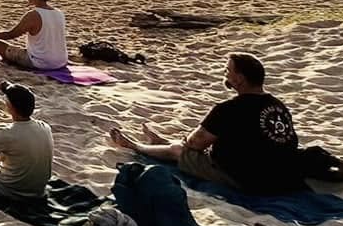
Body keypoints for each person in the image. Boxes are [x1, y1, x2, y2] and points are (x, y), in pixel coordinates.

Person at [111, 53, 300, 194]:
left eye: (228, 71)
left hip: (247, 178)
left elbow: (195, 143)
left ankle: (136, 145)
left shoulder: (229, 108)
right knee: (200, 141)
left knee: (179, 150)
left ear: (240, 79)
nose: (225, 74)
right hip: (279, 173)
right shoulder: (278, 105)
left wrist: (188, 142)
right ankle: (161, 142)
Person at [0, 0, 69, 71]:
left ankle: (8, 60)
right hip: (61, 61)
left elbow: (12, 34)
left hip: (41, 62)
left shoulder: (33, 15)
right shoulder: (59, 13)